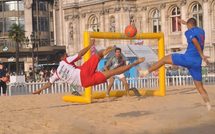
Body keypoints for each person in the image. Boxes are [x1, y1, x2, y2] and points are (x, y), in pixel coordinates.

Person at [139, 18, 211, 111]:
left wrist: (202, 55)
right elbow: (192, 28)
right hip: (197, 62)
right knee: (200, 87)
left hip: (188, 59)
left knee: (164, 59)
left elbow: (194, 41)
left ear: (189, 25)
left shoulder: (188, 32)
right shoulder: (202, 31)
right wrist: (185, 23)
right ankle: (208, 105)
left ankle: (145, 72)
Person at [32, 39, 145, 95]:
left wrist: (40, 90)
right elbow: (80, 53)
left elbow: (49, 83)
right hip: (83, 72)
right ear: (62, 57)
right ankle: (108, 50)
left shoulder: (56, 73)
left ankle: (134, 63)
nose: (67, 55)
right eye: (65, 54)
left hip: (85, 83)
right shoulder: (66, 60)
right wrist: (90, 45)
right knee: (99, 54)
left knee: (113, 72)